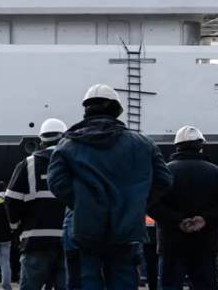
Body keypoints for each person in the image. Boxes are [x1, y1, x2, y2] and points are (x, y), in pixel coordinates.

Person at [48, 84, 173, 290]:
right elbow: (164, 181)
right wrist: (136, 204)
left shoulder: (68, 144)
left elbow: (56, 183)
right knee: (124, 278)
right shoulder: (143, 144)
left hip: (83, 228)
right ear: (117, 110)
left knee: (85, 280)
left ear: (86, 111)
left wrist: (83, 203)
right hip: (126, 228)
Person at [147, 125, 218, 290]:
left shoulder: (164, 172)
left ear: (177, 146)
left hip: (171, 245)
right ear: (201, 146)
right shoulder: (217, 173)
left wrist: (178, 221)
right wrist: (205, 219)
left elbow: (151, 204)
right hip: (205, 244)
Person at [5, 118, 69, 290]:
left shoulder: (28, 164)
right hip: (68, 240)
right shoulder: (74, 163)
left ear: (41, 140)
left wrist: (15, 226)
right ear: (64, 138)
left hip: (35, 241)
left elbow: (11, 200)